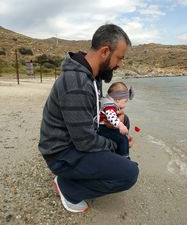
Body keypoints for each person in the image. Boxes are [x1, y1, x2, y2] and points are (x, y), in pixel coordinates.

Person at [38, 24, 139, 213]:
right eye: (119, 58)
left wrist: (116, 122)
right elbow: (85, 141)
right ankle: (69, 188)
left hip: (76, 140)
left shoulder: (93, 76)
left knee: (123, 122)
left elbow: (93, 113)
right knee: (130, 174)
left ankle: (110, 166)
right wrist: (117, 144)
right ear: (105, 52)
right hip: (62, 154)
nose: (120, 64)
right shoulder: (76, 83)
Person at [98, 82, 134, 159]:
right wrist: (120, 125)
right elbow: (111, 116)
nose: (126, 104)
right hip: (102, 128)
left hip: (102, 127)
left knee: (122, 137)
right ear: (117, 99)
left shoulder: (107, 101)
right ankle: (125, 158)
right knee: (122, 139)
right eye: (125, 101)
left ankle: (120, 152)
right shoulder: (110, 106)